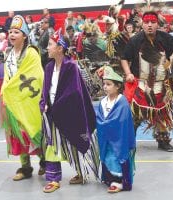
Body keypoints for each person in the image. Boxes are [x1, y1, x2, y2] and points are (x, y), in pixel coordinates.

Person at [40, 29, 99, 193]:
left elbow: (74, 92)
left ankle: (81, 173)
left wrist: (56, 105)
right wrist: (44, 102)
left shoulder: (71, 66)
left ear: (60, 48)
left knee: (74, 143)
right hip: (51, 113)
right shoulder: (49, 66)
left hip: (69, 113)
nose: (47, 48)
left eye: (50, 45)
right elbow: (45, 89)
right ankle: (53, 178)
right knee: (51, 145)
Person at [121, 10, 173, 152]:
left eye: (153, 22)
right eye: (146, 22)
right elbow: (124, 58)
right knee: (135, 116)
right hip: (141, 84)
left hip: (161, 84)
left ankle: (163, 141)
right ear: (142, 24)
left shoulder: (166, 38)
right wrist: (128, 73)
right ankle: (129, 141)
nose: (149, 25)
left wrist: (171, 67)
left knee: (161, 115)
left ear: (157, 24)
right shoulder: (135, 40)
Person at [0, 15, 45, 181]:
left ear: (24, 35)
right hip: (13, 101)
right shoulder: (9, 54)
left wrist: (15, 91)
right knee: (18, 134)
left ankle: (44, 162)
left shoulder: (31, 52)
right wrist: (5, 93)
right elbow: (7, 77)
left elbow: (36, 75)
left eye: (16, 32)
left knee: (32, 131)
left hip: (28, 100)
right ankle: (25, 167)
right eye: (10, 31)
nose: (12, 34)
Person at [96, 66, 135, 193]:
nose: (105, 87)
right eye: (104, 84)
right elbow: (99, 118)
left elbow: (122, 121)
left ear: (117, 86)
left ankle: (119, 181)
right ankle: (109, 178)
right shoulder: (103, 102)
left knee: (116, 157)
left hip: (118, 138)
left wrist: (107, 124)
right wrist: (103, 125)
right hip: (106, 137)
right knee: (107, 156)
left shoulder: (122, 102)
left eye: (109, 84)